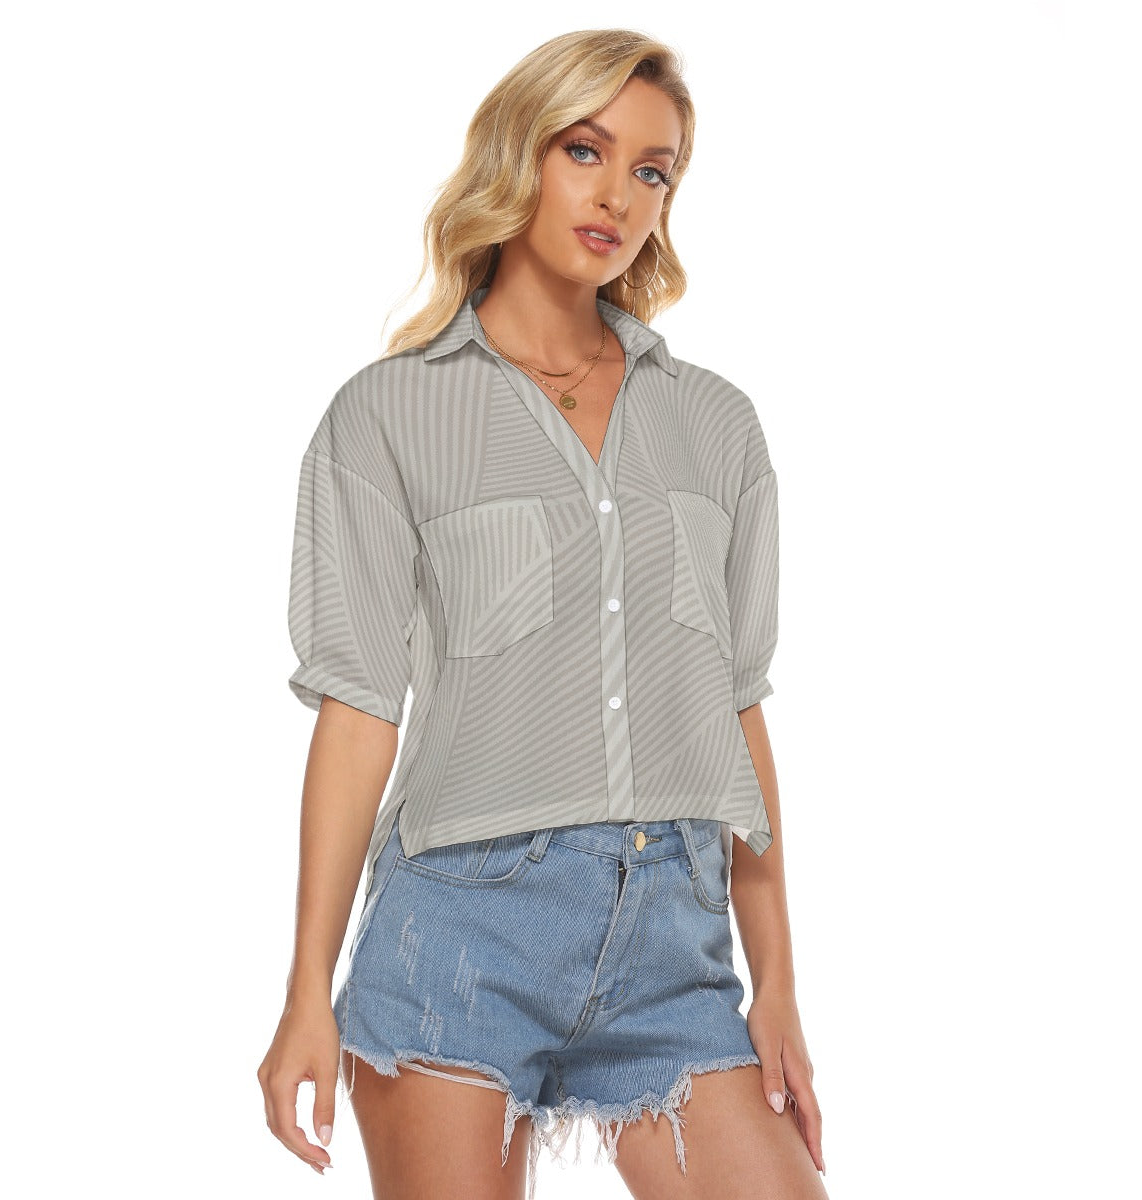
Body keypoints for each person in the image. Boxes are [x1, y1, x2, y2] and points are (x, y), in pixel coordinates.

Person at [258, 28, 829, 1200]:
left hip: (675, 948)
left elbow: (737, 709)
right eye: (585, 150)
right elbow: (359, 709)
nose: (618, 194)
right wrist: (305, 990)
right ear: (518, 153)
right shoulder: (387, 417)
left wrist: (777, 984)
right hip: (461, 930)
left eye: (652, 170)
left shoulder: (716, 426)